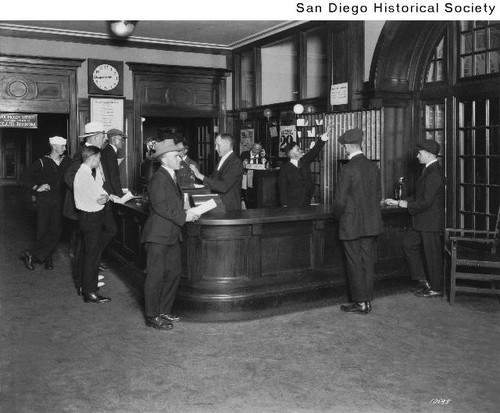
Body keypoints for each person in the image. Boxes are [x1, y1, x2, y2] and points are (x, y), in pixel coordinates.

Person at [141, 139, 199, 330]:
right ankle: (152, 315)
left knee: (173, 272)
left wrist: (187, 209)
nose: (181, 159)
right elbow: (160, 207)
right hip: (158, 235)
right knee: (155, 276)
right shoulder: (158, 178)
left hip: (171, 234)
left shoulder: (171, 176)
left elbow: (170, 203)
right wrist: (185, 216)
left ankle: (163, 310)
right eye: (176, 156)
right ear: (164, 159)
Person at [333, 128, 384, 314]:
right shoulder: (373, 167)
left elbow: (339, 201)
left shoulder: (347, 169)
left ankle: (360, 302)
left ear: (347, 146)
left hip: (351, 224)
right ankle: (367, 300)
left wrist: (339, 217)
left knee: (354, 263)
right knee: (367, 262)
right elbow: (378, 195)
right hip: (371, 223)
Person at [386, 139, 445, 298]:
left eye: (420, 153)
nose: (417, 156)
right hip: (422, 221)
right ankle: (423, 281)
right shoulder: (428, 170)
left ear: (428, 154)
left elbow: (426, 202)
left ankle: (437, 288)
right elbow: (420, 196)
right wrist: (399, 202)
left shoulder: (434, 173)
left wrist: (405, 205)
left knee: (432, 255)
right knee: (408, 243)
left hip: (429, 222)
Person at [63, 122, 114, 293]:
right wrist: (87, 194)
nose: (105, 140)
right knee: (84, 246)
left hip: (97, 206)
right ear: (95, 137)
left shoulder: (96, 154)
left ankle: (88, 276)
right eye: (103, 137)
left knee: (98, 238)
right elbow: (69, 176)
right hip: (86, 209)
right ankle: (83, 282)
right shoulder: (82, 156)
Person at [73, 145, 116, 303]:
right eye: (98, 158)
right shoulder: (84, 176)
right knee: (92, 256)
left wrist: (103, 195)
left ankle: (85, 287)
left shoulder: (84, 173)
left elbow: (99, 190)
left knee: (89, 253)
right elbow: (100, 198)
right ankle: (90, 292)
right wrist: (105, 198)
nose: (99, 161)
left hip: (86, 219)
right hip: (91, 219)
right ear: (92, 158)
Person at [22, 136, 71, 270]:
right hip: (44, 201)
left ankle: (32, 253)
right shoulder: (42, 161)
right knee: (43, 229)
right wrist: (37, 187)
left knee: (56, 231)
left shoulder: (67, 161)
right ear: (54, 146)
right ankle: (46, 259)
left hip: (59, 201)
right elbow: (26, 177)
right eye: (62, 146)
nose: (65, 149)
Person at [278, 126, 332, 208]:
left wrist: (325, 135)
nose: (301, 150)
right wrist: (284, 204)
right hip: (292, 203)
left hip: (306, 200)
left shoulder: (305, 161)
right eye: (298, 150)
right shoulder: (285, 168)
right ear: (292, 154)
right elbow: (282, 187)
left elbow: (315, 150)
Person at [189, 133, 244, 211]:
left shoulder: (235, 162)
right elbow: (213, 179)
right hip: (219, 205)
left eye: (218, 145)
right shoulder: (223, 159)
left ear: (227, 144)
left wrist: (201, 176)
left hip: (229, 208)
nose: (215, 148)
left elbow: (223, 187)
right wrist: (197, 180)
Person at [100, 128, 126, 198]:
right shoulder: (111, 153)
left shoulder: (106, 151)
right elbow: (114, 177)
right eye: (121, 140)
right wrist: (120, 196)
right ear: (114, 140)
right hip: (111, 193)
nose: (123, 142)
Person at [240, 141, 266, 209]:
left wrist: (264, 159)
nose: (255, 151)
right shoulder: (244, 154)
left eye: (257, 149)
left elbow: (265, 169)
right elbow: (239, 166)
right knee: (247, 199)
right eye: (254, 148)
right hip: (246, 180)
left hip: (257, 181)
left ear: (261, 150)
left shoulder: (262, 156)